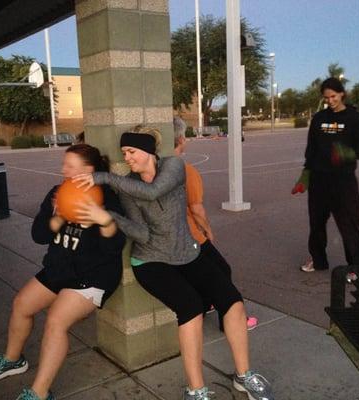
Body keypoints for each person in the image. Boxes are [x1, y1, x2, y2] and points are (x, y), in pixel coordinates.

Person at [74, 126, 273, 400]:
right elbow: (142, 233)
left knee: (233, 301)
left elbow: (155, 191)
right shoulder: (128, 187)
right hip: (150, 261)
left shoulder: (174, 166)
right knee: (190, 309)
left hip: (187, 253)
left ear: (148, 152)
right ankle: (196, 390)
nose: (127, 158)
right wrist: (108, 216)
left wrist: (104, 177)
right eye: (124, 153)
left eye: (131, 152)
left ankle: (244, 376)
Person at [0, 144, 125, 400]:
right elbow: (38, 235)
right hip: (60, 269)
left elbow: (114, 248)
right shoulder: (57, 193)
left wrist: (104, 221)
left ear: (88, 170)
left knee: (56, 322)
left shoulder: (107, 197)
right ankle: (13, 360)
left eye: (69, 165)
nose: (63, 169)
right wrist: (58, 217)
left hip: (94, 275)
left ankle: (39, 393)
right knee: (21, 304)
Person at [172, 117, 257, 332]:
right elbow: (196, 208)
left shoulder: (160, 167)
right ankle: (230, 321)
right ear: (181, 139)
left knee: (202, 273)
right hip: (191, 236)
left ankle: (204, 303)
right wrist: (207, 230)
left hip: (174, 237)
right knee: (222, 272)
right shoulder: (185, 170)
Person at [292, 77, 359, 272]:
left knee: (348, 226)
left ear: (341, 93)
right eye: (326, 98)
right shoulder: (319, 119)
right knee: (316, 225)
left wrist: (344, 153)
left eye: (333, 96)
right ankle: (318, 261)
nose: (330, 101)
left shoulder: (354, 118)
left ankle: (356, 267)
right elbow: (311, 150)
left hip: (343, 182)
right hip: (319, 181)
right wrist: (305, 177)